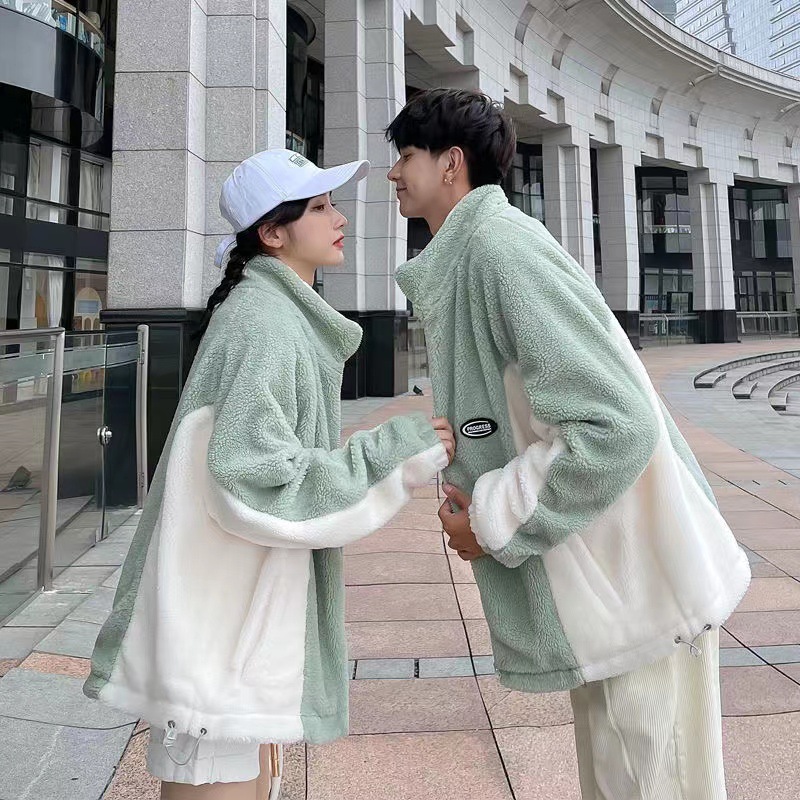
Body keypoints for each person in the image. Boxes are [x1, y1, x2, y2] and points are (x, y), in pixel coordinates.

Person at [387, 89, 751, 799]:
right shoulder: (483, 251)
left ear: (451, 164)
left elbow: (615, 424)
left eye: (406, 155)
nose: (394, 173)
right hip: (615, 586)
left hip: (640, 585)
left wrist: (490, 518)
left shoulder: (500, 251)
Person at [83, 149, 454, 800]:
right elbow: (252, 476)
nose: (339, 218)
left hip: (231, 620)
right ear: (273, 233)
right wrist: (396, 449)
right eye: (320, 207)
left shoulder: (271, 313)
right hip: (224, 631)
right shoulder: (264, 322)